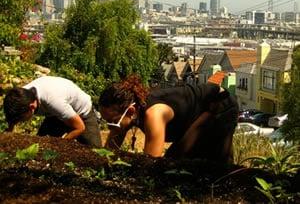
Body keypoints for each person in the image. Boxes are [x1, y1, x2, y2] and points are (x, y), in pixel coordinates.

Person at [99, 75, 239, 163]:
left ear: (130, 111)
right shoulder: (129, 112)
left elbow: (151, 161)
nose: (110, 127)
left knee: (189, 159)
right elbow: (109, 150)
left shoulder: (153, 115)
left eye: (112, 121)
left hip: (218, 104)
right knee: (175, 159)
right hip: (192, 117)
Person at [3, 76, 102, 148]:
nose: (21, 121)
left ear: (31, 107)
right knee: (40, 146)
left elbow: (80, 127)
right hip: (55, 114)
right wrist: (9, 136)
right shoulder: (21, 96)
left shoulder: (53, 101)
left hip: (81, 113)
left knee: (94, 152)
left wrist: (59, 144)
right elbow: (14, 115)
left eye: (21, 118)